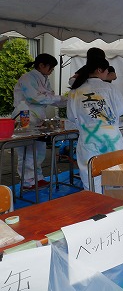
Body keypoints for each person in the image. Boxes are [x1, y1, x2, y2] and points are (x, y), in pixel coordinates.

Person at [67, 58, 123, 192]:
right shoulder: (110, 87)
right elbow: (121, 109)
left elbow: (71, 116)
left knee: (91, 176)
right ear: (100, 70)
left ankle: (97, 207)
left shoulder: (76, 90)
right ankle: (115, 206)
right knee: (116, 174)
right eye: (106, 72)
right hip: (112, 137)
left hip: (88, 137)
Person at [13, 54, 67, 190]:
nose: (51, 71)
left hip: (37, 117)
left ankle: (38, 178)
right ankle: (27, 181)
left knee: (39, 150)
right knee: (27, 150)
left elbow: (50, 97)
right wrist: (60, 99)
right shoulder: (27, 78)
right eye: (51, 68)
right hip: (25, 116)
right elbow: (34, 98)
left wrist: (67, 100)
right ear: (42, 65)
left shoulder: (44, 79)